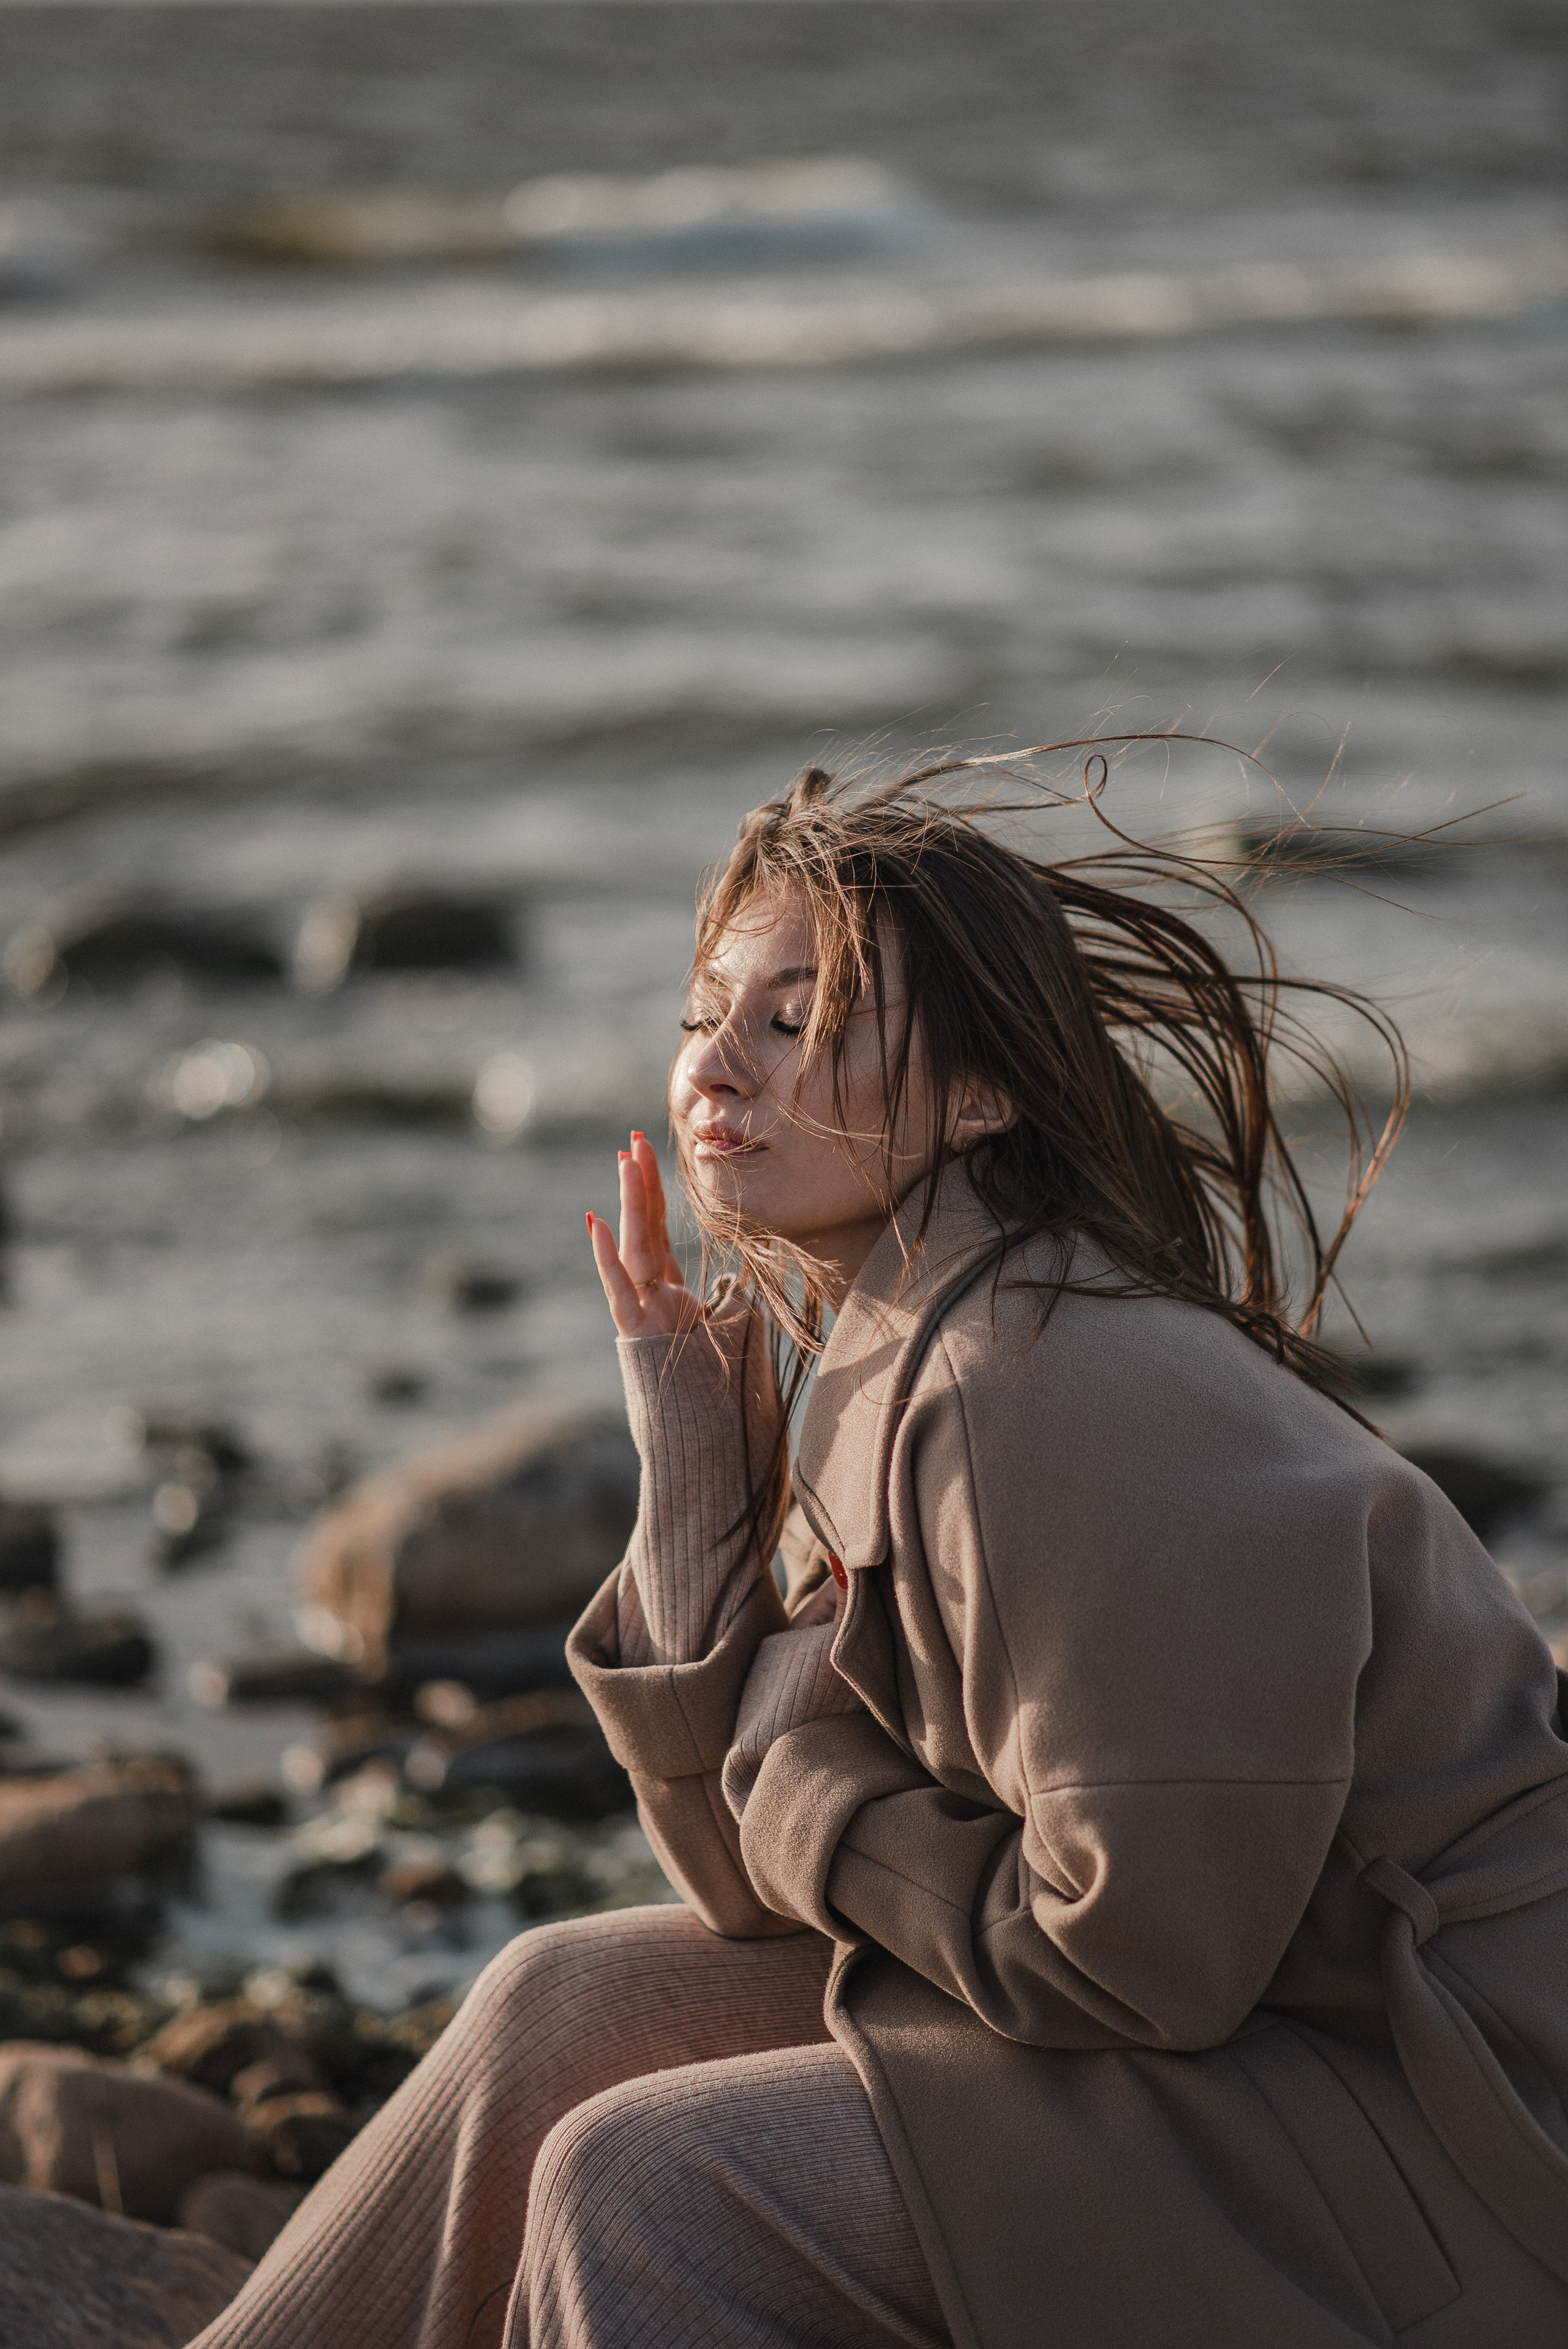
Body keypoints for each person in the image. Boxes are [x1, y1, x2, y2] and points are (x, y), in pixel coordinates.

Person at [194, 757, 1568, 2349]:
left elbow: (1143, 1961)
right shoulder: (902, 1340)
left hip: (1446, 2121)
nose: (717, 1063)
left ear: (981, 1096)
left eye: (799, 1020)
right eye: (706, 1012)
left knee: (643, 2186)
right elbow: (742, 1886)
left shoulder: (1036, 1381)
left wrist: (809, 1797)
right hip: (1253, 2026)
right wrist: (694, 1488)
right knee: (555, 2005)